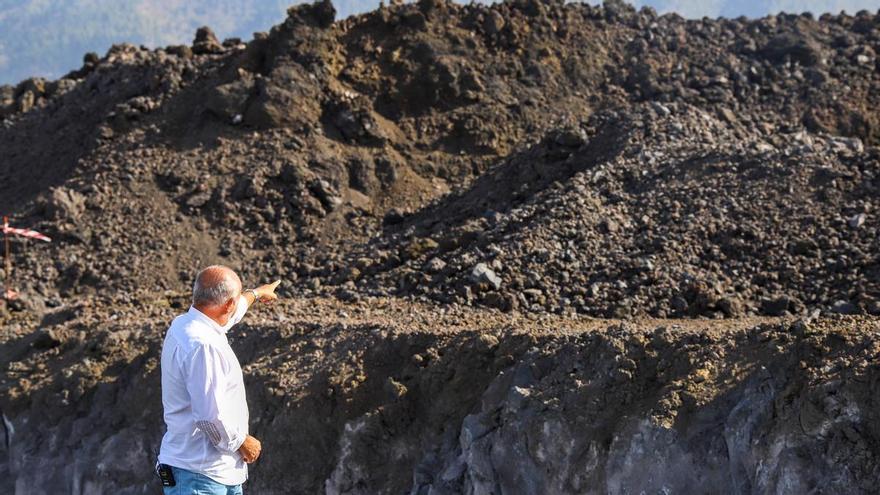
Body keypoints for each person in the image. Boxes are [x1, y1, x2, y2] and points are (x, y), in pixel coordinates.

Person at [157, 265, 280, 494]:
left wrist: (256, 293)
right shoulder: (204, 346)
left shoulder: (186, 324)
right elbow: (209, 416)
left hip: (209, 473)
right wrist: (242, 442)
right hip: (200, 475)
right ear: (227, 305)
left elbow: (229, 315)